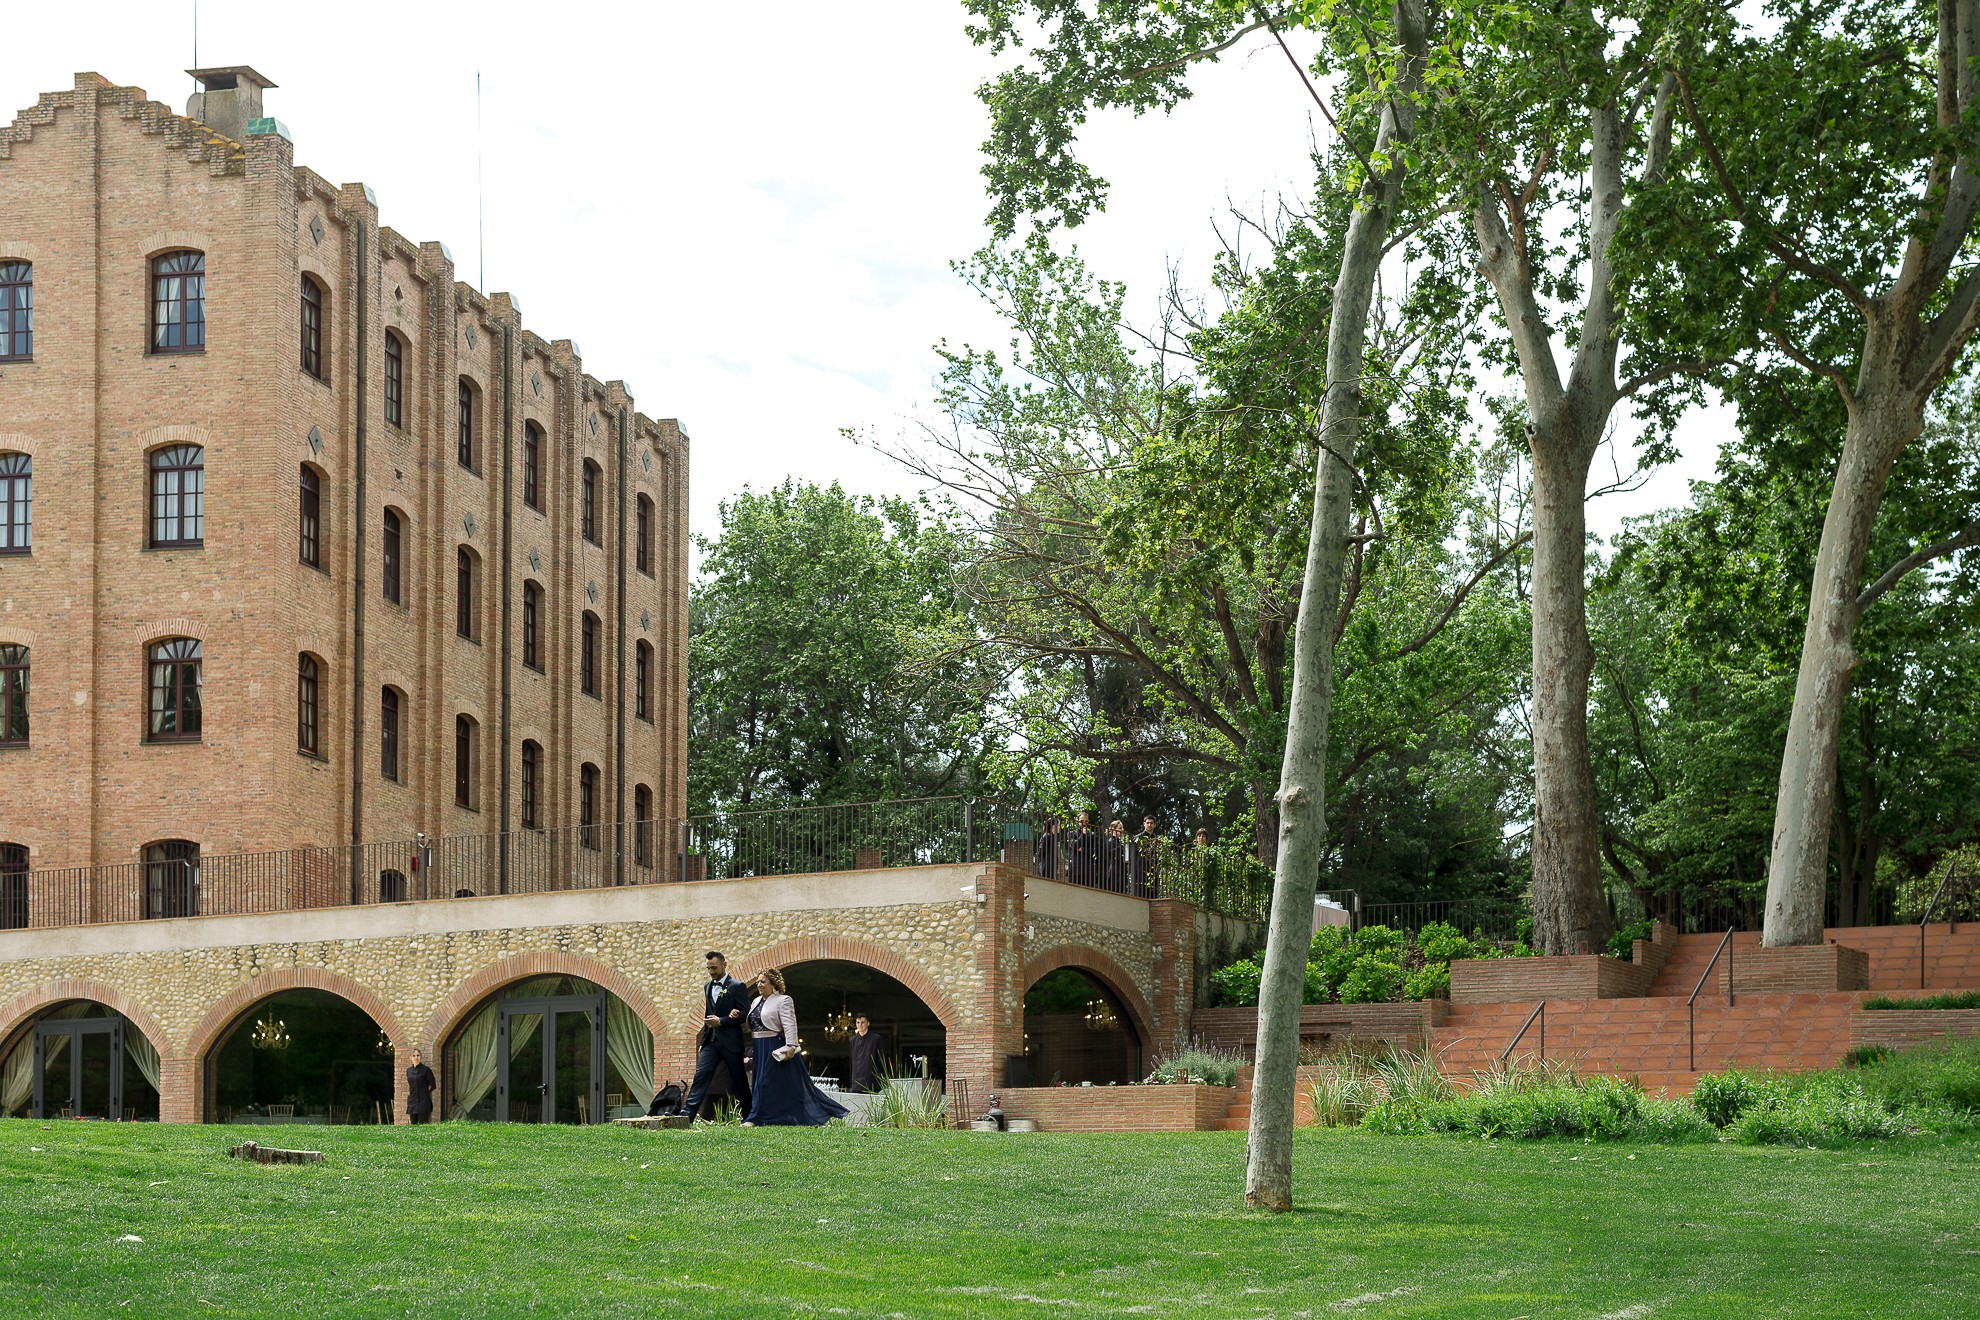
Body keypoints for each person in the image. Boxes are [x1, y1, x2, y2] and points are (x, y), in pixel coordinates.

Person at [742, 968, 848, 1127]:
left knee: (765, 1081)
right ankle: (768, 1117)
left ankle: (754, 1118)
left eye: (763, 981)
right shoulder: (756, 1001)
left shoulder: (783, 1000)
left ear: (773, 983)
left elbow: (790, 1025)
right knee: (759, 1081)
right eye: (757, 982)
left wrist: (791, 1046)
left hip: (774, 1045)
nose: (759, 984)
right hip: (759, 1045)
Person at [683, 950, 753, 1121]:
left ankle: (750, 1116)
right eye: (708, 968)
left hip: (731, 1042)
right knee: (701, 1077)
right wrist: (703, 1040)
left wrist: (722, 1021)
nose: (711, 971)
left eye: (714, 967)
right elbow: (708, 1015)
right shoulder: (707, 986)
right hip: (711, 1042)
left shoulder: (737, 986)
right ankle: (686, 1116)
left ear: (724, 965)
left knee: (739, 1080)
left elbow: (745, 1014)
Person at [847, 1013, 886, 1094]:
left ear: (868, 1023)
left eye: (862, 1022)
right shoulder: (852, 1040)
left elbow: (881, 1061)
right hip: (856, 1082)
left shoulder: (876, 1039)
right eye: (858, 1022)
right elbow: (853, 1061)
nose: (860, 1024)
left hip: (871, 1082)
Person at [403, 1048, 437, 1125]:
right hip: (412, 1100)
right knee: (413, 1126)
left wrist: (426, 1092)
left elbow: (433, 1085)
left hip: (423, 1101)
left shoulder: (426, 1070)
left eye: (418, 1055)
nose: (416, 1057)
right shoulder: (408, 1071)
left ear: (421, 1057)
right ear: (410, 1058)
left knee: (423, 1126)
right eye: (414, 1055)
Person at [1131, 815, 1162, 897]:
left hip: (1154, 872)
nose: (1149, 825)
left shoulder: (1158, 839)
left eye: (1151, 823)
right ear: (1144, 824)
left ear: (1155, 825)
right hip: (1140, 872)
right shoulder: (1137, 838)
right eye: (1147, 823)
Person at [1068, 811, 1099, 886]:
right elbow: (1074, 846)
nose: (1084, 823)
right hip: (1076, 869)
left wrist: (1083, 849)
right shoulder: (1072, 833)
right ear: (1077, 821)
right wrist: (1083, 834)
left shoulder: (1092, 835)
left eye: (1086, 821)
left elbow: (1095, 850)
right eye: (1082, 821)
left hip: (1088, 869)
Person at [1102, 819, 1129, 891]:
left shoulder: (1121, 842)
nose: (1122, 830)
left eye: (1122, 828)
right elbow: (1116, 855)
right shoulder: (1111, 841)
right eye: (1120, 828)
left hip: (1122, 871)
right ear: (1114, 829)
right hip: (1115, 871)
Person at [1032, 816, 1061, 881]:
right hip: (1046, 868)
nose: (1059, 827)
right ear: (1054, 826)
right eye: (1059, 825)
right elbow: (1041, 852)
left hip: (1051, 868)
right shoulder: (1047, 836)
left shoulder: (1052, 837)